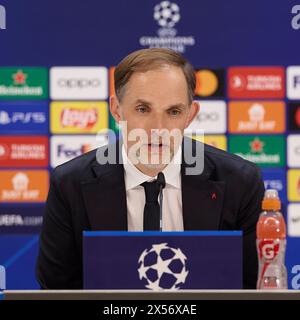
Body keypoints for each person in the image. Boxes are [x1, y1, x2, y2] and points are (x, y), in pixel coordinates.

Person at [36, 48, 265, 289]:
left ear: (190, 115)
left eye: (173, 112)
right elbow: (57, 291)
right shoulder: (69, 184)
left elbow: (254, 289)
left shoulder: (241, 182)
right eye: (143, 109)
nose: (158, 128)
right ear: (116, 110)